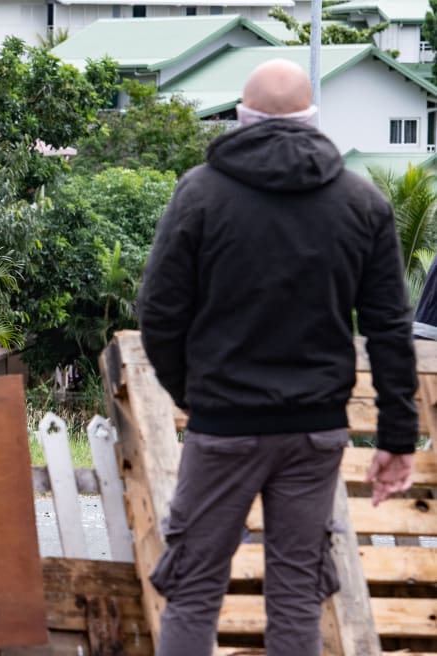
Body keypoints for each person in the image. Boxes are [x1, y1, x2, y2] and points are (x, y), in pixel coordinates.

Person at [137, 58, 418, 656]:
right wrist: (396, 436)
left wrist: (196, 394)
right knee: (296, 597)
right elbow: (390, 327)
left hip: (224, 428)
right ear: (314, 120)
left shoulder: (200, 194)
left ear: (242, 118)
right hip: (314, 431)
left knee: (192, 593)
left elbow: (159, 314)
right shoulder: (360, 202)